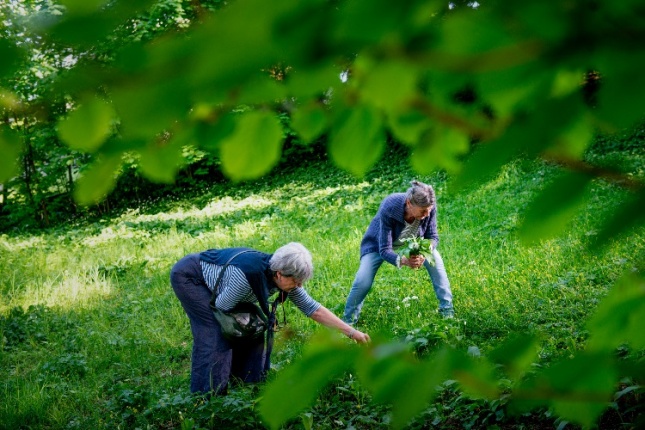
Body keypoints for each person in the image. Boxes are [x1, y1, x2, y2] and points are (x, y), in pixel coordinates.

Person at [170, 242, 370, 394]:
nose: (299, 286)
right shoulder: (245, 278)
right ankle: (207, 395)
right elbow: (222, 308)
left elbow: (313, 309)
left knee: (253, 326)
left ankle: (246, 380)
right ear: (279, 274)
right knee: (216, 331)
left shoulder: (282, 277)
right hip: (191, 278)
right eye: (296, 281)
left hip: (223, 289)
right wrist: (244, 319)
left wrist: (352, 333)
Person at [343, 180, 455, 324]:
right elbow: (384, 249)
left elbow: (433, 237)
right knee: (362, 280)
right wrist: (404, 261)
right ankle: (348, 322)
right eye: (422, 211)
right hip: (379, 245)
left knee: (437, 266)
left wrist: (423, 252)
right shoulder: (390, 206)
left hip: (414, 243)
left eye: (429, 210)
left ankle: (447, 312)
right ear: (409, 203)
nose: (427, 214)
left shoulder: (428, 208)